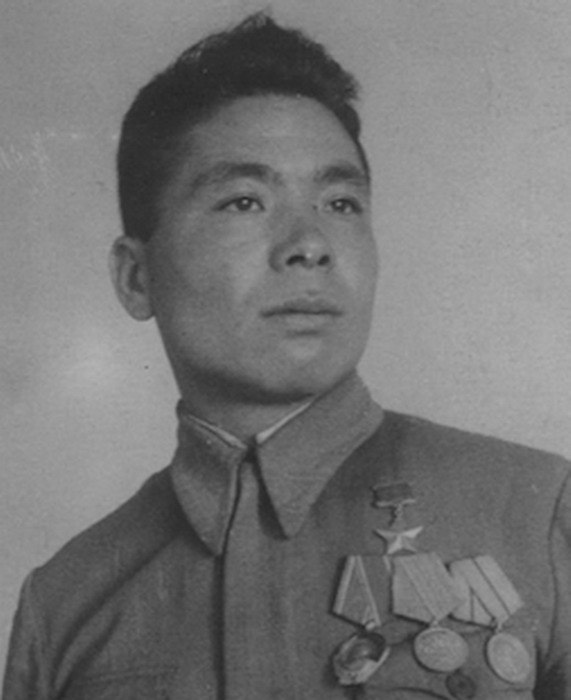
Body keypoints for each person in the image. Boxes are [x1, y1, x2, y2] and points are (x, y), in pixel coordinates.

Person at [3, 12, 571, 700]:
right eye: (245, 201)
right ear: (135, 277)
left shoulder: (537, 515)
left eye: (341, 203)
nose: (310, 244)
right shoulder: (66, 606)